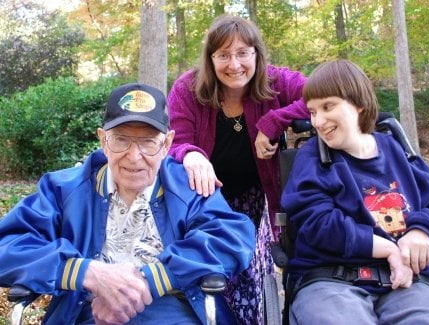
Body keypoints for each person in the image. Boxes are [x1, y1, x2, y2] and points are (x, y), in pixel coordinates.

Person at [0, 83, 256, 324]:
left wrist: (149, 280)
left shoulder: (188, 186)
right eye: (121, 139)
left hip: (174, 311)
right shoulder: (63, 189)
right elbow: (8, 246)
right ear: (103, 140)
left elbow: (232, 236)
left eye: (148, 142)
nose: (134, 157)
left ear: (167, 143)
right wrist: (89, 273)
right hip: (85, 312)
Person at [281, 59, 429, 324]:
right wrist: (390, 249)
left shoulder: (397, 149)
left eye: (328, 107)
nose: (318, 121)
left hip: (407, 281)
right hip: (332, 281)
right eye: (313, 112)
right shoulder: (312, 158)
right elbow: (315, 223)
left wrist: (421, 232)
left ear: (358, 103)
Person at [167, 14, 309, 323]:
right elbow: (175, 140)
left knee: (248, 271)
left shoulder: (277, 82)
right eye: (223, 55)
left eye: (243, 52)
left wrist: (274, 121)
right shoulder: (187, 90)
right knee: (207, 275)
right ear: (210, 59)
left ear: (257, 53)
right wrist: (191, 154)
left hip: (254, 199)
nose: (234, 64)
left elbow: (324, 95)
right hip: (202, 200)